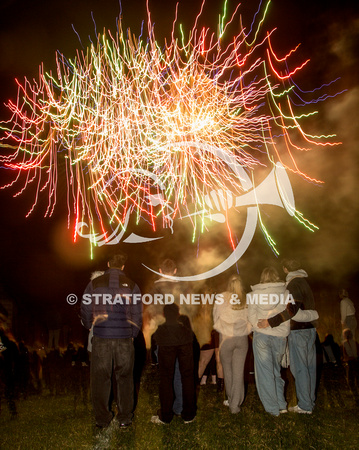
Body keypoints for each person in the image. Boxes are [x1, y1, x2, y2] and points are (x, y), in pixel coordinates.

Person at [81, 251, 142, 429]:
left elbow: (85, 308)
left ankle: (102, 418)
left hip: (101, 337)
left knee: (100, 379)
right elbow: (137, 314)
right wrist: (132, 333)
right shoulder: (132, 285)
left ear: (108, 264)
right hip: (124, 338)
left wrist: (88, 325)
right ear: (123, 266)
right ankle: (125, 417)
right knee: (125, 379)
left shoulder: (94, 284)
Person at [258, 259, 318, 414]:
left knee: (300, 368)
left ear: (285, 269)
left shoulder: (294, 284)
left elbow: (291, 310)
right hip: (310, 329)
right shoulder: (304, 282)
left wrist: (270, 322)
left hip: (299, 331)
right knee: (310, 367)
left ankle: (305, 405)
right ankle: (309, 402)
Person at [151, 303, 197, 424]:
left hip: (166, 347)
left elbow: (155, 342)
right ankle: (189, 415)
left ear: (164, 314)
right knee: (188, 379)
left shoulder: (161, 330)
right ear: (178, 314)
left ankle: (166, 416)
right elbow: (192, 339)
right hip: (184, 345)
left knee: (166, 380)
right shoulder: (185, 330)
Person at [213, 274, 252, 414]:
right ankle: (235, 404)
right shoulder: (246, 298)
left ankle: (231, 400)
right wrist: (246, 329)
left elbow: (215, 318)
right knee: (238, 373)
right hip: (242, 339)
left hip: (226, 339)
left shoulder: (221, 298)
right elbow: (251, 319)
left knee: (228, 371)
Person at [339, 289, 357, 358]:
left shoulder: (343, 302)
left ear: (341, 295)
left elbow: (343, 313)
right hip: (353, 319)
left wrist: (342, 322)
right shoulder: (349, 300)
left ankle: (350, 355)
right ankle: (355, 356)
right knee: (351, 339)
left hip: (348, 320)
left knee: (343, 338)